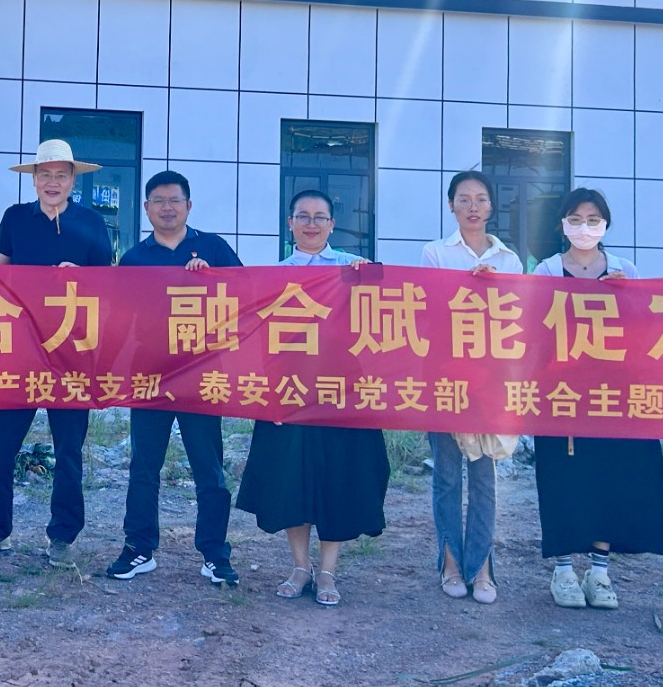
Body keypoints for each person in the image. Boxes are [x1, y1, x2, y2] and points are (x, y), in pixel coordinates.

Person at [0, 139, 113, 567]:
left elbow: (111, 285)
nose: (52, 182)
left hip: (72, 353)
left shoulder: (92, 223)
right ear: (34, 180)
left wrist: (81, 277)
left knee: (68, 449)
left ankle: (63, 535)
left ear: (73, 180)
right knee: (0, 444)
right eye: (45, 175)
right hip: (19, 351)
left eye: (61, 175)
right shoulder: (15, 218)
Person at [234, 190, 388, 607]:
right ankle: (300, 566)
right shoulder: (274, 275)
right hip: (290, 389)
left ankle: (328, 571)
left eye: (320, 217)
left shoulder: (352, 267)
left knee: (338, 477)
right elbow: (260, 335)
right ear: (290, 223)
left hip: (342, 390)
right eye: (303, 216)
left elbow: (391, 302)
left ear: (332, 225)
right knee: (292, 480)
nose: (312, 224)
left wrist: (370, 276)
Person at [531, 188, 663, 609]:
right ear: (562, 224)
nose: (585, 227)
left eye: (593, 219)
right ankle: (563, 569)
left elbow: (646, 332)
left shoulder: (624, 269)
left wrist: (628, 298)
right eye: (576, 219)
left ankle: (599, 571)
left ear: (606, 224)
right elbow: (530, 327)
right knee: (563, 478)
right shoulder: (546, 270)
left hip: (613, 395)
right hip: (560, 392)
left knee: (609, 478)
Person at [108, 170, 242, 587]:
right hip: (150, 373)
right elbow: (117, 315)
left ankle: (215, 554)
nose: (167, 208)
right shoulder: (134, 259)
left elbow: (248, 295)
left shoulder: (214, 248)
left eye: (175, 200)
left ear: (189, 206)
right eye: (159, 201)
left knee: (209, 468)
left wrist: (213, 278)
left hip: (203, 372)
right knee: (144, 466)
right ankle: (139, 547)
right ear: (147, 208)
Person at [420, 169, 521, 605]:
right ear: (451, 206)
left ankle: (482, 566)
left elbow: (519, 317)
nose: (473, 207)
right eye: (464, 199)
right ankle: (449, 562)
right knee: (446, 475)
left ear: (491, 206)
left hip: (492, 380)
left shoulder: (509, 260)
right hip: (446, 376)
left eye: (480, 199)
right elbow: (428, 309)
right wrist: (467, 288)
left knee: (485, 474)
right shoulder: (435, 252)